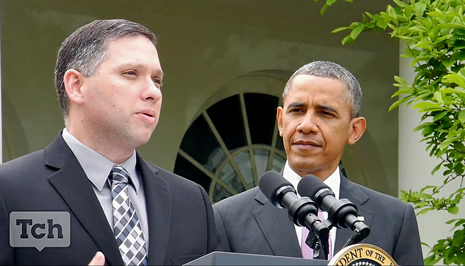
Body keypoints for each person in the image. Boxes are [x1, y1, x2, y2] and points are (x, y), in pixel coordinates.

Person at [0, 19, 220, 266]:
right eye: (131, 73)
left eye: (157, 80)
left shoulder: (192, 202)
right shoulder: (10, 191)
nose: (153, 92)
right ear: (76, 86)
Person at [213, 60, 424, 265]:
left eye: (325, 113)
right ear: (280, 121)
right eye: (297, 111)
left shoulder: (394, 219)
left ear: (354, 130)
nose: (306, 126)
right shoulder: (227, 218)